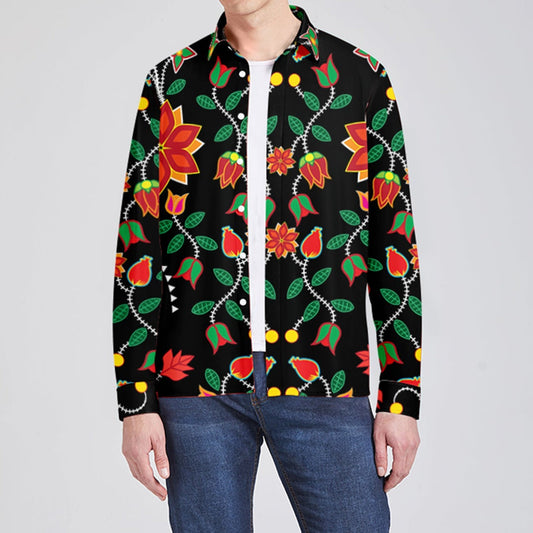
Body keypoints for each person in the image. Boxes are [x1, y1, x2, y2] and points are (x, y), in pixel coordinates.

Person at [112, 1, 422, 531]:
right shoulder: (171, 84)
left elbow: (393, 242)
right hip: (196, 383)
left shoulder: (360, 78)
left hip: (326, 373)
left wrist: (401, 394)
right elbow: (138, 244)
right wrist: (135, 402)